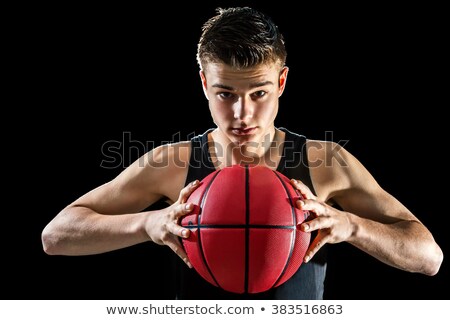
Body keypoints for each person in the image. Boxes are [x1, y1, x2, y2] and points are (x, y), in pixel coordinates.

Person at [41, 7, 443, 299]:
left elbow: (428, 256)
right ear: (203, 83)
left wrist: (352, 226)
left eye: (259, 93)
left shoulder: (326, 162)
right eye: (225, 94)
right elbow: (56, 235)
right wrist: (148, 224)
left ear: (282, 80)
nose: (242, 114)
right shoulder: (172, 164)